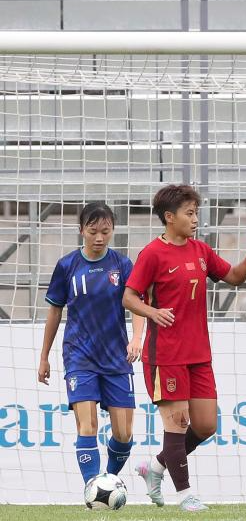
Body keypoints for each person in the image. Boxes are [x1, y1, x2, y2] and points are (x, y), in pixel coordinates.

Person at [123, 184, 246, 511]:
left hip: (199, 354)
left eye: (196, 212)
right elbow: (129, 297)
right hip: (166, 355)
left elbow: (234, 276)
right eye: (189, 213)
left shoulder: (200, 250)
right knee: (177, 423)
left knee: (206, 425)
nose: (195, 219)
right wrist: (152, 312)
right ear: (169, 217)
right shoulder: (152, 254)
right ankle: (185, 495)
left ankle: (155, 466)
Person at [38, 202, 145, 495]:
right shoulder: (67, 266)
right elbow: (54, 311)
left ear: (113, 230)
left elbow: (136, 303)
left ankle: (106, 483)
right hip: (79, 356)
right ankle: (92, 485)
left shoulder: (122, 265)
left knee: (124, 434)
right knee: (87, 426)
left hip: (116, 357)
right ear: (81, 230)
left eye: (105, 231)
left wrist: (137, 338)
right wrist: (44, 357)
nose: (99, 237)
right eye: (93, 231)